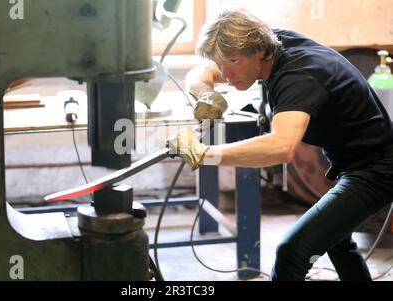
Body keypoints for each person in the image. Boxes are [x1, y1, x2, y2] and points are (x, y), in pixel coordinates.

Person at [167, 7, 393, 281]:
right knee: (336, 239)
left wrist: (205, 154)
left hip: (378, 170)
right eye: (221, 62)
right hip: (358, 162)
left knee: (292, 252)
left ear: (258, 51)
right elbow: (203, 71)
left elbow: (282, 147)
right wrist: (206, 95)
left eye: (233, 62)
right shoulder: (271, 43)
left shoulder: (298, 75)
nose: (225, 73)